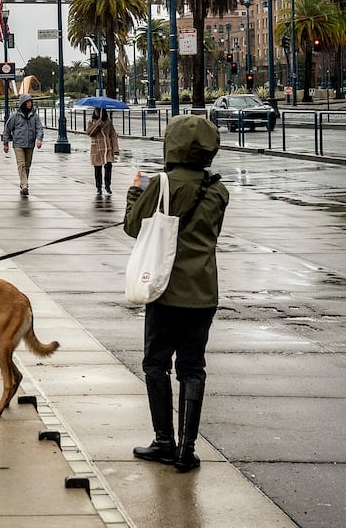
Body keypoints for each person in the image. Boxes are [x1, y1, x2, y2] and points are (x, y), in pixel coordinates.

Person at [124, 114, 229, 473]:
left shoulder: (163, 184)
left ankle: (164, 441)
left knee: (156, 363)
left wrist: (135, 193)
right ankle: (187, 449)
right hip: (203, 292)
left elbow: (132, 226)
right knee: (193, 367)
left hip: (165, 290)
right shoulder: (218, 190)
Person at [1, 94, 44, 196]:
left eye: (31, 102)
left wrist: (39, 139)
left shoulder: (34, 116)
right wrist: (5, 143)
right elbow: (7, 129)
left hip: (30, 144)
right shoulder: (15, 116)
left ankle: (23, 184)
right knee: (21, 165)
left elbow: (39, 128)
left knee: (27, 166)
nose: (30, 104)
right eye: (27, 102)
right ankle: (25, 185)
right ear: (23, 103)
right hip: (18, 144)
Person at [85, 107, 120, 195]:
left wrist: (115, 149)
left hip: (107, 148)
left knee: (108, 166)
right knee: (98, 168)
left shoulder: (108, 122)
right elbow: (90, 133)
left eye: (99, 110)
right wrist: (97, 125)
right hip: (96, 148)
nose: (97, 112)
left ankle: (108, 186)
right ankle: (99, 187)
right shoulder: (91, 122)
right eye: (96, 110)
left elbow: (113, 135)